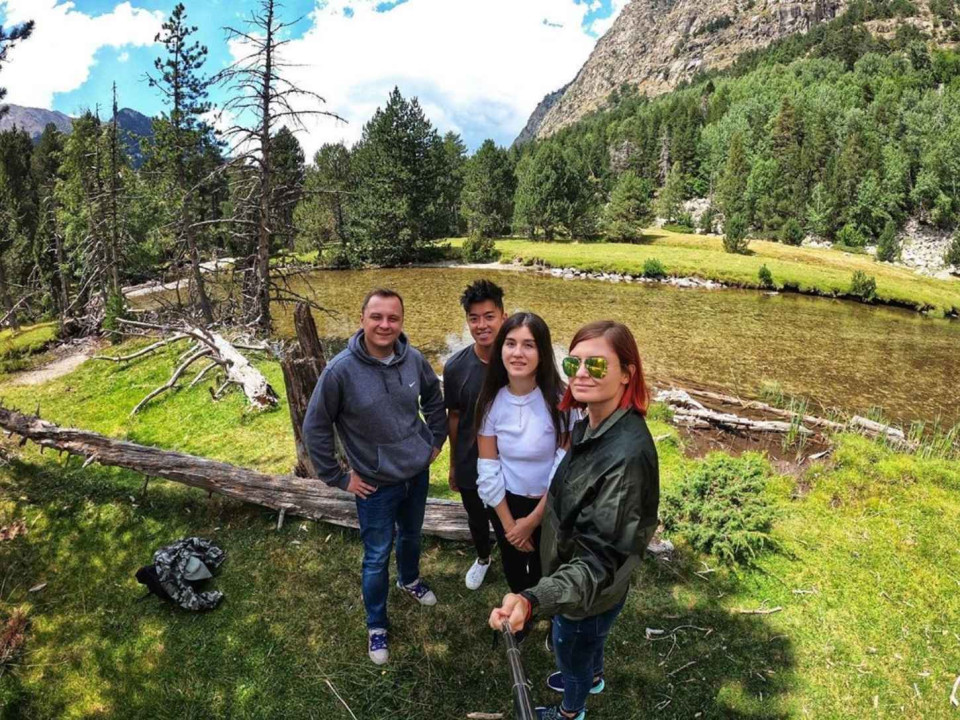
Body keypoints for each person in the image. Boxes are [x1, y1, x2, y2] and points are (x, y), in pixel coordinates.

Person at [488, 320, 660, 720]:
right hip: (588, 588)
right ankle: (593, 674)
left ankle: (572, 709)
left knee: (571, 649)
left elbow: (599, 562)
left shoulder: (626, 455)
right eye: (573, 363)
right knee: (588, 644)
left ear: (626, 374)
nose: (581, 374)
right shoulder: (590, 426)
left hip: (587, 595)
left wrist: (534, 599)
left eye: (597, 366)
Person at [302, 288, 447, 666]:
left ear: (402, 321)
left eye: (393, 318)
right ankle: (377, 623)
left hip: (416, 474)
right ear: (362, 319)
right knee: (377, 555)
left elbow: (433, 398)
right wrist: (337, 477)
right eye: (377, 317)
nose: (385, 325)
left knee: (412, 534)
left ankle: (410, 580)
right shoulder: (340, 371)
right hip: (375, 486)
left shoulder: (413, 358)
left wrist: (436, 438)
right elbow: (315, 427)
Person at [475, 312, 570, 599]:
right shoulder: (491, 402)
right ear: (500, 348)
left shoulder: (560, 401)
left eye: (529, 345)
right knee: (515, 569)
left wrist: (533, 521)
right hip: (506, 503)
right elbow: (488, 468)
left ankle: (551, 619)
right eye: (510, 343)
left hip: (550, 505)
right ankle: (521, 614)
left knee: (551, 568)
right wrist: (510, 525)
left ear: (543, 351)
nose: (518, 353)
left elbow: (562, 468)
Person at [443, 279, 507, 590]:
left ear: (503, 316)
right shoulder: (455, 366)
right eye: (474, 318)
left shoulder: (519, 361)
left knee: (511, 516)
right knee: (476, 516)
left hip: (512, 461)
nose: (482, 325)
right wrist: (454, 464)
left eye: (489, 316)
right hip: (471, 458)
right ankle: (483, 557)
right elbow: (454, 416)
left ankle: (516, 563)